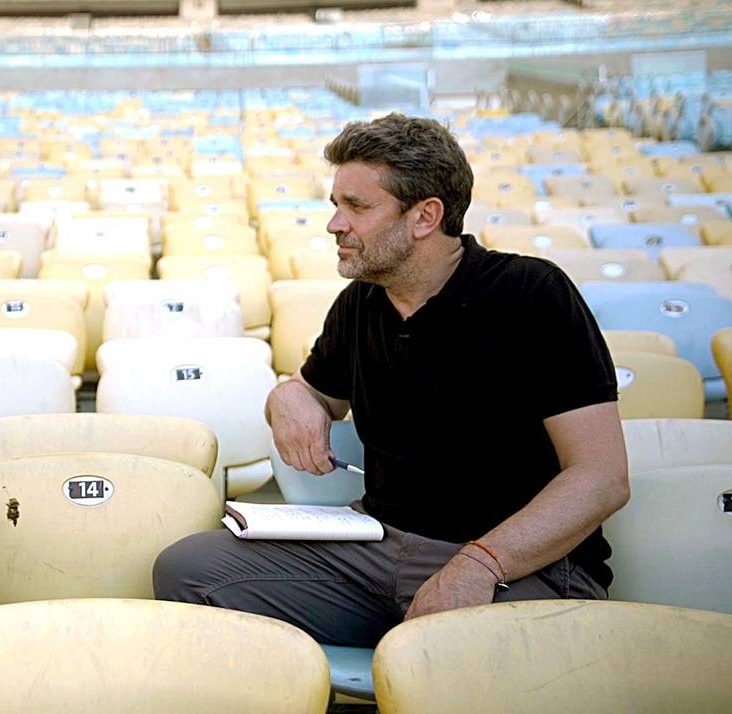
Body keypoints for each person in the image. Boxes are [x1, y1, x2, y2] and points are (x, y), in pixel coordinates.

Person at [153, 113, 630, 647]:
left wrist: (479, 563)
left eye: (356, 207)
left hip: (514, 563)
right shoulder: (360, 302)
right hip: (376, 551)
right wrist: (288, 397)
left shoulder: (532, 293)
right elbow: (314, 391)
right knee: (188, 569)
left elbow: (601, 476)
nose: (335, 224)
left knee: (447, 651)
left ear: (425, 216)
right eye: (336, 205)